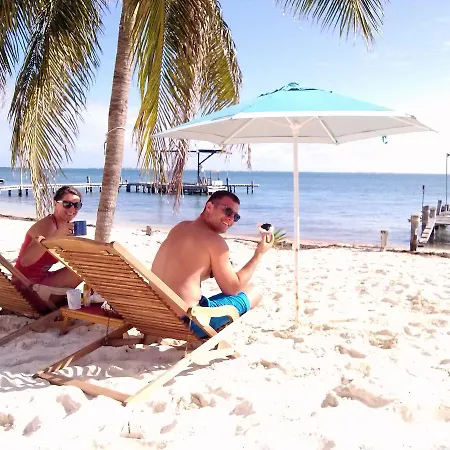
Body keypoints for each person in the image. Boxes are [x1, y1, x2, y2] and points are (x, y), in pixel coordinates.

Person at [152, 190, 273, 336]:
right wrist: (259, 254)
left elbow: (184, 271)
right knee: (253, 291)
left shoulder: (180, 227)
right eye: (227, 211)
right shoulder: (215, 242)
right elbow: (232, 289)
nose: (231, 218)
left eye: (236, 216)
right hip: (187, 323)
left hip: (154, 316)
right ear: (209, 207)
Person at [15, 185, 83, 290]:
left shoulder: (63, 228)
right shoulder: (48, 225)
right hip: (26, 284)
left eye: (76, 205)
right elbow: (25, 261)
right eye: (67, 204)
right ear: (55, 203)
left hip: (41, 278)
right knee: (85, 270)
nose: (72, 209)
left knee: (86, 268)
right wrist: (54, 237)